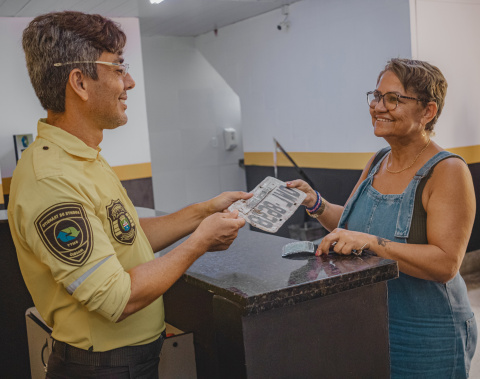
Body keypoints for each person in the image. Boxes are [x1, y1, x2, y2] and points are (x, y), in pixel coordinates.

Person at [8, 11, 251, 378]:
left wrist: (203, 212)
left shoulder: (82, 155)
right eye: (119, 69)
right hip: (101, 366)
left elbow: (128, 235)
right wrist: (199, 243)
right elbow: (115, 298)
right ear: (80, 83)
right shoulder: (51, 179)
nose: (131, 82)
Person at [287, 58, 477, 378]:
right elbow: (349, 228)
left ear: (427, 111)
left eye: (393, 99)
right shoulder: (378, 161)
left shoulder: (447, 170)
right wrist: (316, 203)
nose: (377, 107)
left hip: (428, 332)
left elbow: (446, 264)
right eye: (376, 97)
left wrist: (373, 243)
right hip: (375, 322)